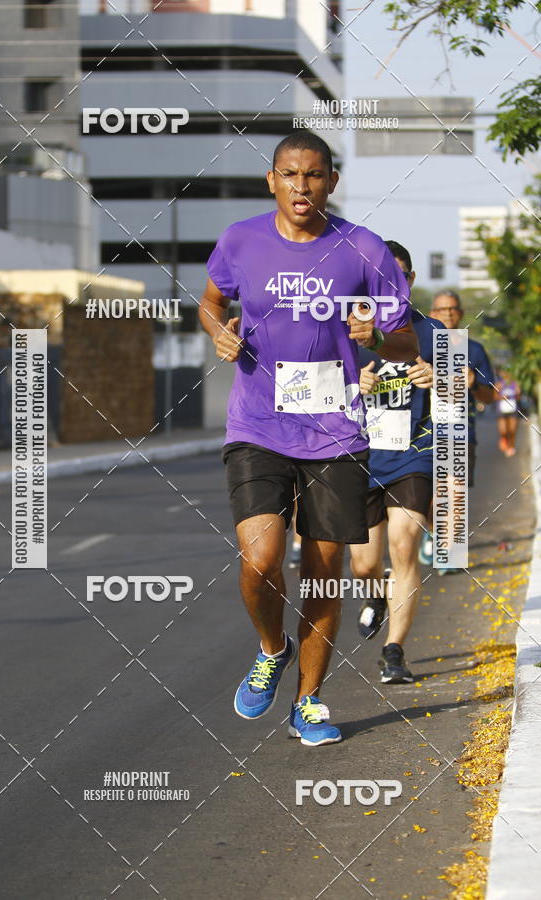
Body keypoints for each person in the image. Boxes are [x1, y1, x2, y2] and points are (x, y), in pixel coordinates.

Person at [198, 131, 417, 747]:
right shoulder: (241, 240)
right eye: (290, 174)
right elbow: (211, 302)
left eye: (314, 174)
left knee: (323, 576)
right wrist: (218, 332)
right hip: (258, 426)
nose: (302, 186)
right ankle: (272, 647)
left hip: (336, 433)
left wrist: (376, 336)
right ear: (271, 180)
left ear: (331, 182)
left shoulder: (364, 248)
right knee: (260, 560)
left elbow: (407, 340)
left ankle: (309, 702)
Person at [349, 241, 445, 683]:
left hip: (414, 453)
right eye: (382, 276)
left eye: (400, 276)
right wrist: (354, 384)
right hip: (361, 456)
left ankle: (394, 651)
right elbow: (315, 390)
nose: (392, 283)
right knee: (363, 565)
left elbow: (464, 393)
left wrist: (438, 378)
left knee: (404, 545)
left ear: (411, 280)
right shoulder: (346, 330)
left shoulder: (433, 331)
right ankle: (376, 594)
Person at [420, 289, 496, 573]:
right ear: (432, 314)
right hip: (424, 434)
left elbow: (490, 396)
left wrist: (474, 383)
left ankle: (448, 555)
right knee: (428, 497)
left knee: (454, 494)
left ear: (461, 314)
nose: (448, 314)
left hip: (461, 432)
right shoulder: (419, 348)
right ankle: (433, 532)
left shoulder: (474, 350)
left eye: (452, 309)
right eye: (441, 310)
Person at [495, 367, 520, 457]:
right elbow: (494, 396)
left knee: (512, 430)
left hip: (513, 409)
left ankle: (511, 446)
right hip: (502, 410)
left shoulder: (515, 384)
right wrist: (502, 397)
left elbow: (518, 397)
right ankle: (504, 440)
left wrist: (517, 393)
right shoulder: (499, 384)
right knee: (503, 431)